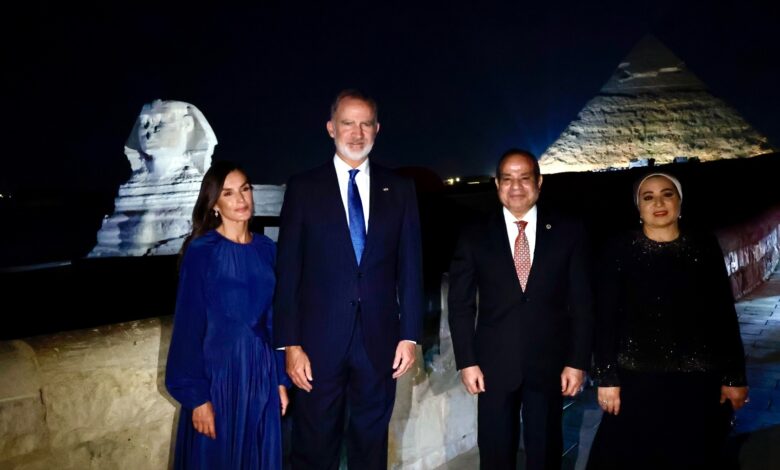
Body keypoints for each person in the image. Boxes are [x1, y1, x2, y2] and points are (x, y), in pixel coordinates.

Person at [273, 89, 423, 469]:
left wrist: (410, 335)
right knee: (313, 444)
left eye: (365, 124)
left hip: (380, 342)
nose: (356, 134)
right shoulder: (304, 188)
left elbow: (410, 268)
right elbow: (288, 271)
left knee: (371, 443)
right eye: (347, 123)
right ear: (330, 128)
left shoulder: (400, 189)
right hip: (317, 345)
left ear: (377, 129)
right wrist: (290, 345)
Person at [586, 172, 749, 470]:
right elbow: (606, 317)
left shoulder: (703, 245)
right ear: (638, 208)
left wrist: (734, 376)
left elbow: (722, 313)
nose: (658, 202)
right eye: (648, 197)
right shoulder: (619, 249)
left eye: (667, 194)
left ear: (680, 202)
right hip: (638, 381)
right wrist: (606, 377)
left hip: (699, 382)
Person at [448, 149, 594, 470]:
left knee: (545, 452)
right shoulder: (474, 234)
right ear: (497, 184)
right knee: (496, 454)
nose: (516, 187)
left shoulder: (569, 231)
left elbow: (582, 301)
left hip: (549, 364)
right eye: (508, 179)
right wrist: (467, 361)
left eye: (524, 178)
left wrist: (577, 361)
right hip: (492, 368)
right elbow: (459, 303)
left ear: (538, 182)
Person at [165, 160, 290, 469]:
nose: (241, 200)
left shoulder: (268, 250)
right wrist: (196, 398)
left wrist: (279, 380)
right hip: (218, 378)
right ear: (215, 204)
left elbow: (276, 319)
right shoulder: (202, 252)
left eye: (245, 189)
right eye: (229, 193)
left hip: (260, 374)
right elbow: (188, 326)